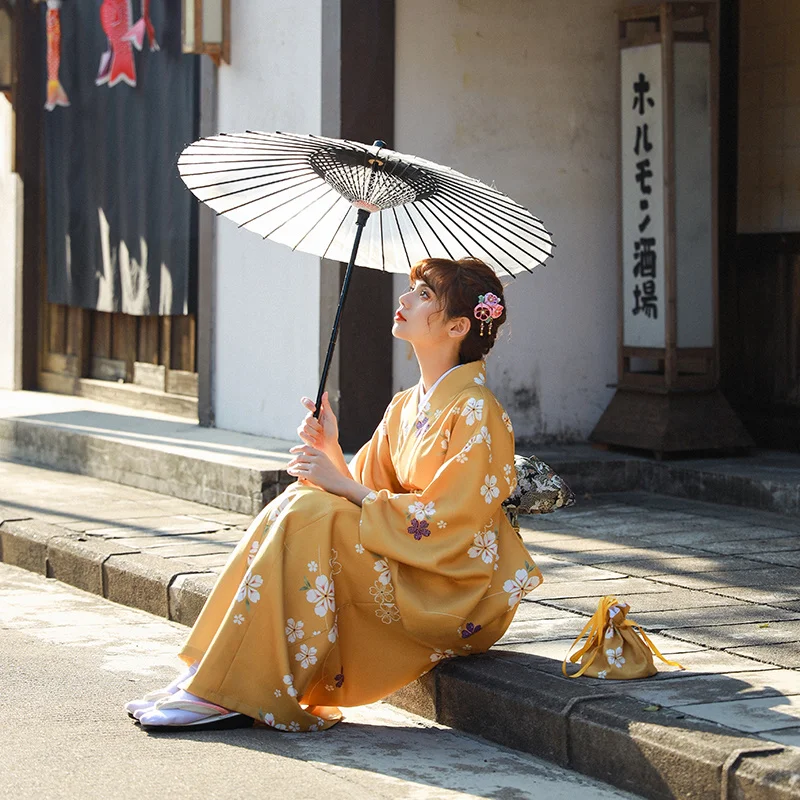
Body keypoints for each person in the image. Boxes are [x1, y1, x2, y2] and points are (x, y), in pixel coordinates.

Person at [127, 256, 543, 732]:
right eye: (411, 289)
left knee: (309, 509)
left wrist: (340, 480)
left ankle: (233, 688)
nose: (404, 299)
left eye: (424, 294)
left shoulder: (477, 410)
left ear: (457, 326)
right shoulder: (407, 405)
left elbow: (451, 517)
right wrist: (331, 451)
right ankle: (213, 673)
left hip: (454, 587)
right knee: (298, 503)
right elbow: (360, 492)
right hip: (415, 558)